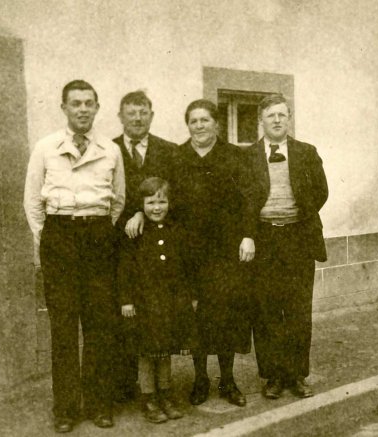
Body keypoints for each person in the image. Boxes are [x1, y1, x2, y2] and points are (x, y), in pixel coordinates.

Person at [23, 80, 125, 432]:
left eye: (89, 103)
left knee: (100, 325)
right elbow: (33, 201)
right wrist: (51, 238)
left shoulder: (110, 149)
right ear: (63, 107)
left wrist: (97, 231)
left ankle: (99, 404)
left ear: (97, 108)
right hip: (60, 238)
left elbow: (119, 200)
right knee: (63, 327)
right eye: (76, 103)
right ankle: (65, 408)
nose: (83, 109)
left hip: (98, 238)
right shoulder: (46, 147)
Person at [171, 99, 257, 407]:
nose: (199, 125)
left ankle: (228, 380)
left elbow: (249, 199)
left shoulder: (234, 156)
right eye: (193, 121)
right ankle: (200, 379)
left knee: (227, 315)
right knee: (196, 317)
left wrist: (248, 235)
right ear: (188, 125)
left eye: (205, 120)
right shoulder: (177, 157)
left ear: (216, 124)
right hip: (189, 252)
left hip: (225, 251)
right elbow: (166, 204)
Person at [246, 94, 328, 400]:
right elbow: (243, 200)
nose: (277, 120)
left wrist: (298, 212)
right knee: (266, 310)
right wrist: (250, 234)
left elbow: (321, 191)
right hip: (265, 239)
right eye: (270, 116)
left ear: (289, 117)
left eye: (282, 115)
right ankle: (273, 376)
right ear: (261, 120)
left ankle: (296, 375)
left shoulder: (306, 152)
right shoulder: (249, 156)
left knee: (297, 310)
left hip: (297, 239)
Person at [112, 90, 177, 402]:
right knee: (124, 319)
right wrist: (132, 213)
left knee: (155, 328)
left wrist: (144, 212)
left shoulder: (168, 151)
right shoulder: (107, 150)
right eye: (130, 112)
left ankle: (154, 392)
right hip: (118, 247)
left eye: (142, 112)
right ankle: (128, 388)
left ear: (151, 115)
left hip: (155, 249)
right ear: (120, 116)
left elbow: (173, 201)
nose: (137, 118)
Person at [117, 177, 196, 424]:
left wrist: (192, 296)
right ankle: (149, 399)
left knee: (165, 351)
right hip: (144, 303)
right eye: (151, 202)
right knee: (146, 352)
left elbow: (187, 266)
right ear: (141, 205)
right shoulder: (134, 231)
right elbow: (125, 269)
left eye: (162, 202)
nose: (157, 208)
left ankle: (165, 395)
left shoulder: (177, 230)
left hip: (170, 301)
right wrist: (126, 300)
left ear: (170, 203)